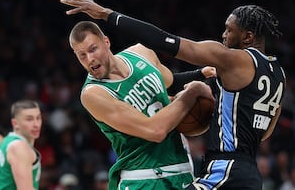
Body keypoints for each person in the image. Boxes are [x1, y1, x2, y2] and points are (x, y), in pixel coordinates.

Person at [60, 0, 286, 190]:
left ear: (247, 37)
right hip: (243, 173)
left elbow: (165, 41)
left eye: (229, 31)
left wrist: (106, 14)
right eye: (82, 55)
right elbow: (264, 131)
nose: (224, 36)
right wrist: (201, 78)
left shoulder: (232, 59)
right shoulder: (278, 73)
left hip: (223, 171)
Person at [62, 20, 214, 190]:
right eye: (81, 55)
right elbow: (155, 131)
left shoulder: (141, 52)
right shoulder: (94, 93)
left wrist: (201, 74)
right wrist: (193, 92)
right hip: (144, 179)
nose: (89, 59)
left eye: (93, 49)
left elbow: (170, 83)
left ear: (106, 42)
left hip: (182, 169)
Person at [0, 99, 42, 190]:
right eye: (29, 119)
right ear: (15, 123)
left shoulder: (6, 141)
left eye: (38, 118)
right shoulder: (19, 147)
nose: (36, 124)